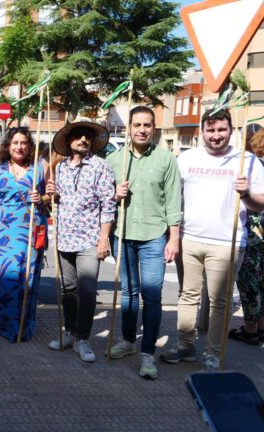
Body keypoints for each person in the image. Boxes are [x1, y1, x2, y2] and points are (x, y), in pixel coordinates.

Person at [160, 109, 264, 370]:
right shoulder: (186, 159)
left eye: (221, 130)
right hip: (189, 238)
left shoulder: (247, 160)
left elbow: (260, 205)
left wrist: (247, 193)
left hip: (227, 243)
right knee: (187, 296)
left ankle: (213, 353)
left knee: (220, 300)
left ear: (231, 130)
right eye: (210, 130)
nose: (216, 135)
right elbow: (172, 195)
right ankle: (185, 345)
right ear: (201, 132)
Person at [106, 106, 182, 380]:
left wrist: (174, 238)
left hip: (153, 236)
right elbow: (103, 202)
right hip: (123, 236)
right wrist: (115, 195)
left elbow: (174, 201)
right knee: (128, 293)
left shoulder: (166, 159)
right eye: (137, 125)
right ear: (129, 128)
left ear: (153, 128)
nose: (141, 130)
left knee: (152, 295)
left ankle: (147, 352)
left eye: (147, 125)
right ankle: (128, 341)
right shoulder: (114, 160)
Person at [45, 120, 116, 362]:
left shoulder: (101, 167)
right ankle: (71, 332)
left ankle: (83, 338)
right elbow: (53, 201)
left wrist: (103, 239)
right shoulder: (60, 167)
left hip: (89, 239)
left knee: (87, 290)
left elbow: (108, 204)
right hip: (63, 238)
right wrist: (50, 195)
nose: (83, 140)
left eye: (87, 136)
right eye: (78, 136)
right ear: (68, 141)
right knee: (68, 290)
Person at [0, 127, 48, 342]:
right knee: (2, 277)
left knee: (25, 278)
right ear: (8, 146)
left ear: (30, 146)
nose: (19, 147)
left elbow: (54, 195)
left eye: (24, 143)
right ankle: (0, 321)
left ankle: (20, 324)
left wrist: (42, 198)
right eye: (15, 142)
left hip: (30, 230)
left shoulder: (41, 166)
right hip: (3, 232)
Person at [230, 127, 264, 345]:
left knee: (249, 279)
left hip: (253, 226)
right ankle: (259, 327)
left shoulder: (252, 162)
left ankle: (251, 329)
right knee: (261, 280)